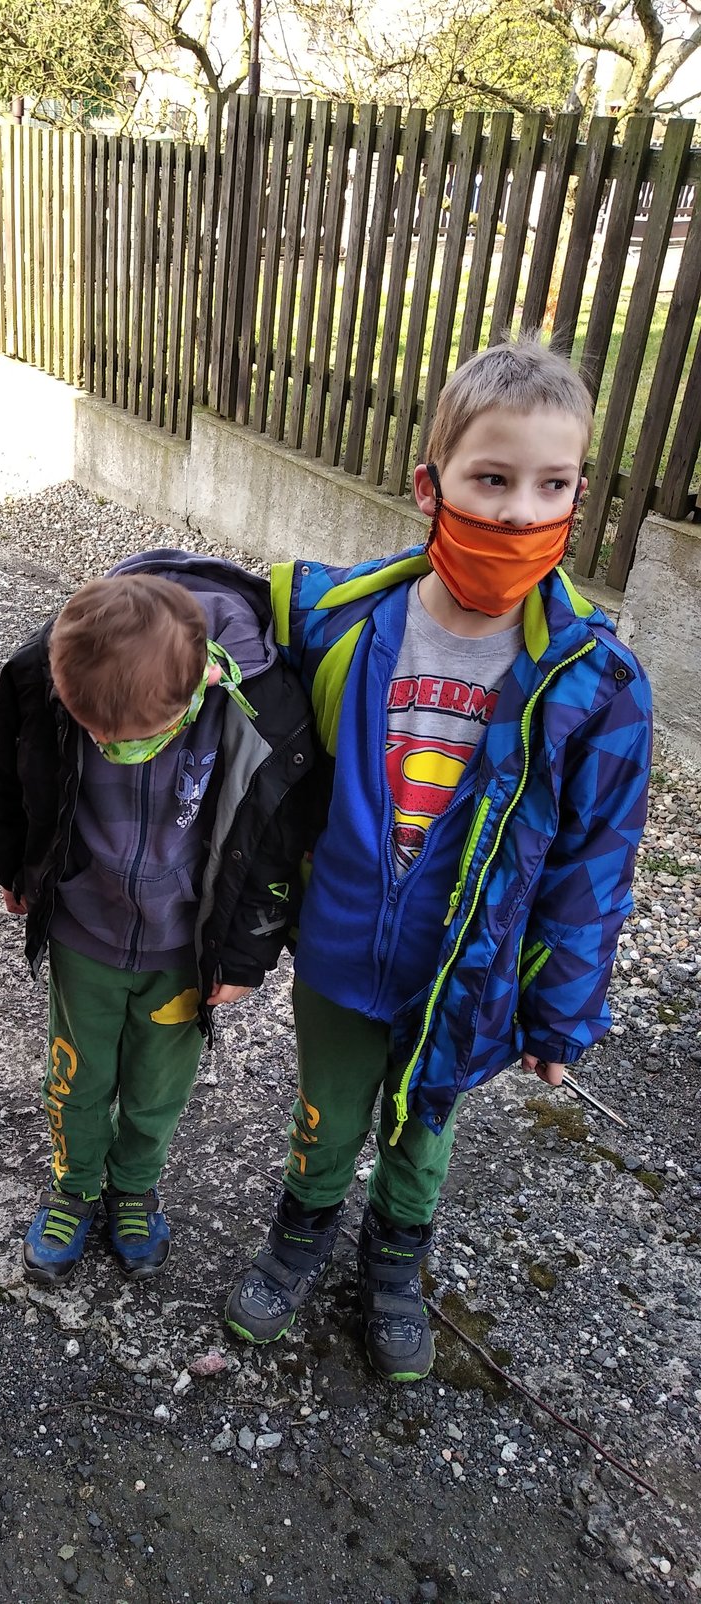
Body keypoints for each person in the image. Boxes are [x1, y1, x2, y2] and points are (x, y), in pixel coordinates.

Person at [224, 339, 653, 1381]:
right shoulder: (338, 623)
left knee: (423, 1127)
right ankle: (300, 1235)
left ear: (580, 495)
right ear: (432, 486)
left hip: (467, 970)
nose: (518, 512)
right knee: (326, 1112)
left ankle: (396, 1261)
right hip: (338, 950)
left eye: (551, 485)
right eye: (492, 479)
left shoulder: (594, 682)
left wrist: (561, 1011)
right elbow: (216, 646)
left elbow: (595, 864)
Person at [0, 552, 323, 1285]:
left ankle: (134, 1186)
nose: (113, 750)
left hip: (182, 948)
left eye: (136, 737)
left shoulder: (250, 703)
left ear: (200, 685)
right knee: (76, 1075)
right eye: (95, 735)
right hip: (83, 932)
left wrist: (244, 955)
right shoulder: (48, 675)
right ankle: (74, 1187)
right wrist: (14, 868)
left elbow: (272, 835)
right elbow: (5, 775)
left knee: (158, 1086)